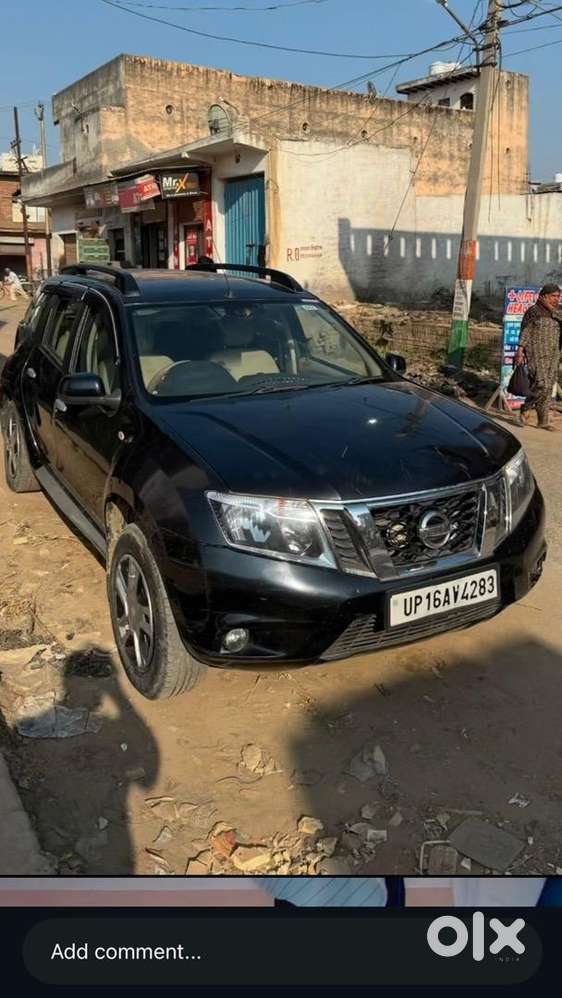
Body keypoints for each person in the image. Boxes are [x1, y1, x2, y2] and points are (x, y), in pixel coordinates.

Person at [514, 283, 561, 431]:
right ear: (543, 296)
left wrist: (553, 310)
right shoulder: (533, 311)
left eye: (558, 296)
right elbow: (525, 332)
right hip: (536, 353)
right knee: (541, 384)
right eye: (553, 296)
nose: (557, 299)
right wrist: (520, 351)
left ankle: (543, 421)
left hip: (554, 354)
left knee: (548, 387)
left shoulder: (558, 312)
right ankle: (525, 408)